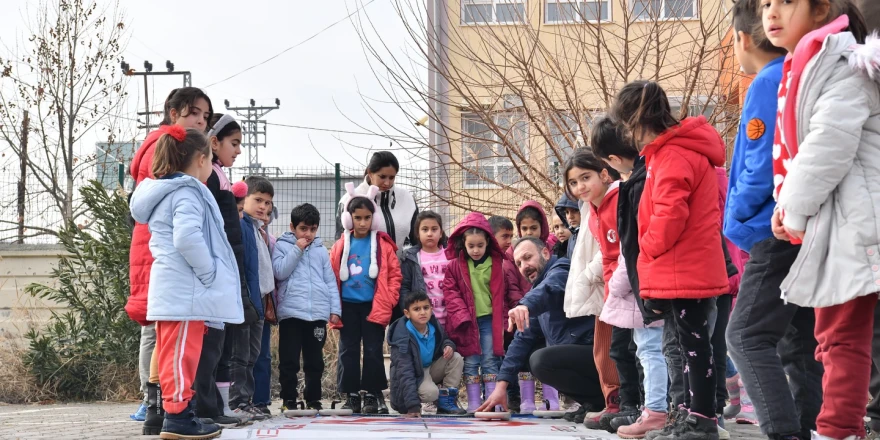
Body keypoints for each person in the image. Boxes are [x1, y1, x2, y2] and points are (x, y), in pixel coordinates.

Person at [763, 1, 877, 439]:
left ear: (821, 9)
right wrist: (784, 207)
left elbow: (827, 145)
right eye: (765, 4)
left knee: (839, 335)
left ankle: (838, 431)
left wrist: (792, 209)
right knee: (836, 334)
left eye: (785, 2)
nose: (771, 13)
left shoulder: (843, 65)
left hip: (856, 219)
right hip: (842, 217)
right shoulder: (805, 65)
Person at [722, 1, 825, 438]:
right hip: (796, 225)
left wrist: (737, 216)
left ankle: (786, 432)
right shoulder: (791, 74)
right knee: (796, 339)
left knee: (745, 336)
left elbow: (760, 163)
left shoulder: (767, 81)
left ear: (742, 40)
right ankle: (804, 426)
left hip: (770, 227)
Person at [610, 80, 729, 440]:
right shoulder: (669, 152)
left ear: (637, 121)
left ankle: (702, 417)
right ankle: (691, 414)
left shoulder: (674, 154)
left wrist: (645, 248)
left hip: (683, 265)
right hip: (685, 263)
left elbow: (668, 213)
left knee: (692, 345)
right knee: (686, 343)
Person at [129, 125, 243, 440]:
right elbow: (187, 236)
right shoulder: (187, 191)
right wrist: (208, 271)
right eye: (209, 160)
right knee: (183, 354)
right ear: (200, 160)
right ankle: (178, 417)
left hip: (174, 289)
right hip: (185, 289)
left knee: (171, 353)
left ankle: (178, 412)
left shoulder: (170, 191)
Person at [127, 87, 213, 434]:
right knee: (162, 333)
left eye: (205, 117)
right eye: (195, 113)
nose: (201, 121)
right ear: (174, 112)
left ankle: (165, 411)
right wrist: (207, 268)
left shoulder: (174, 154)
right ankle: (161, 408)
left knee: (166, 334)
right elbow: (182, 231)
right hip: (161, 258)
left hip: (161, 256)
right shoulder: (168, 152)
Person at [478, 237, 604, 417]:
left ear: (545, 252)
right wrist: (501, 385)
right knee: (525, 354)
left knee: (541, 360)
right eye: (519, 263)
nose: (524, 266)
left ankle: (604, 399)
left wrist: (526, 305)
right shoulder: (536, 292)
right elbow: (522, 339)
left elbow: (550, 288)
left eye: (528, 258)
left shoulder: (563, 269)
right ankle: (593, 403)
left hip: (597, 353)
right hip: (580, 355)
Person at [563, 148, 636, 432]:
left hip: (623, 287)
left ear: (604, 173)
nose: (580, 186)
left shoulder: (617, 200)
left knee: (627, 349)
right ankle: (615, 401)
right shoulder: (591, 208)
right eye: (573, 182)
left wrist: (588, 275)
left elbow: (617, 250)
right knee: (607, 350)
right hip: (608, 290)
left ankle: (631, 404)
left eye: (585, 177)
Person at [193, 113, 250, 428]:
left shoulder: (219, 176)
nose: (238, 150)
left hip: (226, 270)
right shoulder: (209, 179)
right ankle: (206, 408)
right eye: (234, 143)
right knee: (211, 345)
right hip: (214, 273)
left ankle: (218, 407)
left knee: (222, 343)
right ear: (213, 143)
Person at [330, 184, 402, 415]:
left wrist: (389, 299)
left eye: (367, 217)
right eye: (357, 218)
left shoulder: (383, 245)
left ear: (374, 218)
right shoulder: (340, 245)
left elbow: (394, 275)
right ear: (348, 219)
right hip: (347, 306)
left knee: (373, 350)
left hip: (374, 306)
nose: (362, 222)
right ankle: (351, 394)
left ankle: (372, 393)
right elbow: (331, 275)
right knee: (348, 350)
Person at [442, 212, 523, 412]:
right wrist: (462, 316)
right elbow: (450, 292)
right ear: (463, 243)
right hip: (467, 322)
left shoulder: (498, 265)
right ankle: (473, 403)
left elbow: (504, 295)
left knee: (490, 359)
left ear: (488, 242)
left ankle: (491, 402)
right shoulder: (454, 266)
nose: (476, 250)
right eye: (471, 246)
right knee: (470, 360)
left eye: (480, 245)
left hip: (490, 321)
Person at [273, 203, 342, 412]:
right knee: (289, 361)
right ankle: (289, 399)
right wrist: (297, 249)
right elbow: (280, 272)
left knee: (314, 361)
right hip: (292, 314)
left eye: (313, 229)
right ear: (293, 227)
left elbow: (329, 281)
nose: (309, 234)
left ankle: (314, 399)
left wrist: (335, 309)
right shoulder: (282, 245)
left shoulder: (321, 250)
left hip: (317, 315)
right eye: (304, 229)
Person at [227, 176, 274, 421]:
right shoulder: (242, 225)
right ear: (243, 198)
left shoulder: (258, 230)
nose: (263, 207)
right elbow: (244, 267)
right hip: (245, 303)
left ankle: (246, 400)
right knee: (240, 354)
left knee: (252, 355)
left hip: (258, 303)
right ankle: (236, 402)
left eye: (268, 203)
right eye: (258, 200)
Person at [387, 291, 467, 417]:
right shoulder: (402, 336)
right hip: (413, 374)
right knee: (431, 393)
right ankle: (424, 399)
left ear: (431, 309)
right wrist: (412, 406)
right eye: (416, 309)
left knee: (456, 358)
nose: (422, 312)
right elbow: (405, 371)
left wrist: (448, 346)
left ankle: (445, 403)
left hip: (430, 368)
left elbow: (445, 339)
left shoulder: (433, 326)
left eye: (426, 308)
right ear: (407, 313)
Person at [399, 211, 450, 328]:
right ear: (417, 233)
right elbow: (405, 287)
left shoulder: (450, 255)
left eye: (434, 229)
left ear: (441, 233)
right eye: (425, 229)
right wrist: (409, 311)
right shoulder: (411, 258)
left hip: (450, 318)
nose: (430, 233)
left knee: (448, 346)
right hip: (424, 320)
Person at [553, 194, 581, 259]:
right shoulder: (573, 237)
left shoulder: (591, 233)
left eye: (575, 210)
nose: (570, 216)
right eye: (567, 212)